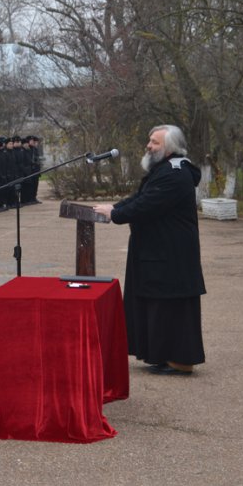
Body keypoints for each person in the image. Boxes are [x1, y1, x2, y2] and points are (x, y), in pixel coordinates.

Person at [93, 124, 206, 376]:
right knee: (158, 304)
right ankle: (163, 355)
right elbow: (140, 196)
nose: (148, 146)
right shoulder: (164, 170)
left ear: (169, 148)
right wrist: (115, 207)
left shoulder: (175, 173)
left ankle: (180, 360)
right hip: (159, 249)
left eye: (154, 142)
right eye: (150, 141)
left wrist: (117, 214)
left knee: (171, 305)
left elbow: (149, 204)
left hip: (171, 252)